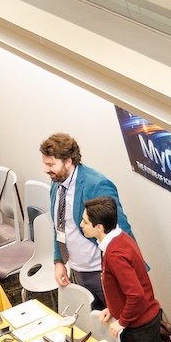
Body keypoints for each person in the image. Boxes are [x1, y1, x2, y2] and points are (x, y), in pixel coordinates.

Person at [80, 196, 171, 342]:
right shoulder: (119, 238)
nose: (81, 225)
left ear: (99, 227)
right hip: (148, 318)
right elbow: (125, 288)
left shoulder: (114, 253)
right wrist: (112, 307)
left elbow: (135, 295)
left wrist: (122, 321)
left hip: (139, 327)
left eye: (85, 222)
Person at [40, 132, 129, 310]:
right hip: (78, 270)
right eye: (44, 163)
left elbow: (121, 229)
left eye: (50, 164)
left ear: (68, 161)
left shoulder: (96, 184)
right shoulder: (57, 182)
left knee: (121, 324)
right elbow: (59, 226)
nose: (45, 169)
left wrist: (123, 271)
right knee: (97, 324)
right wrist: (59, 261)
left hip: (102, 271)